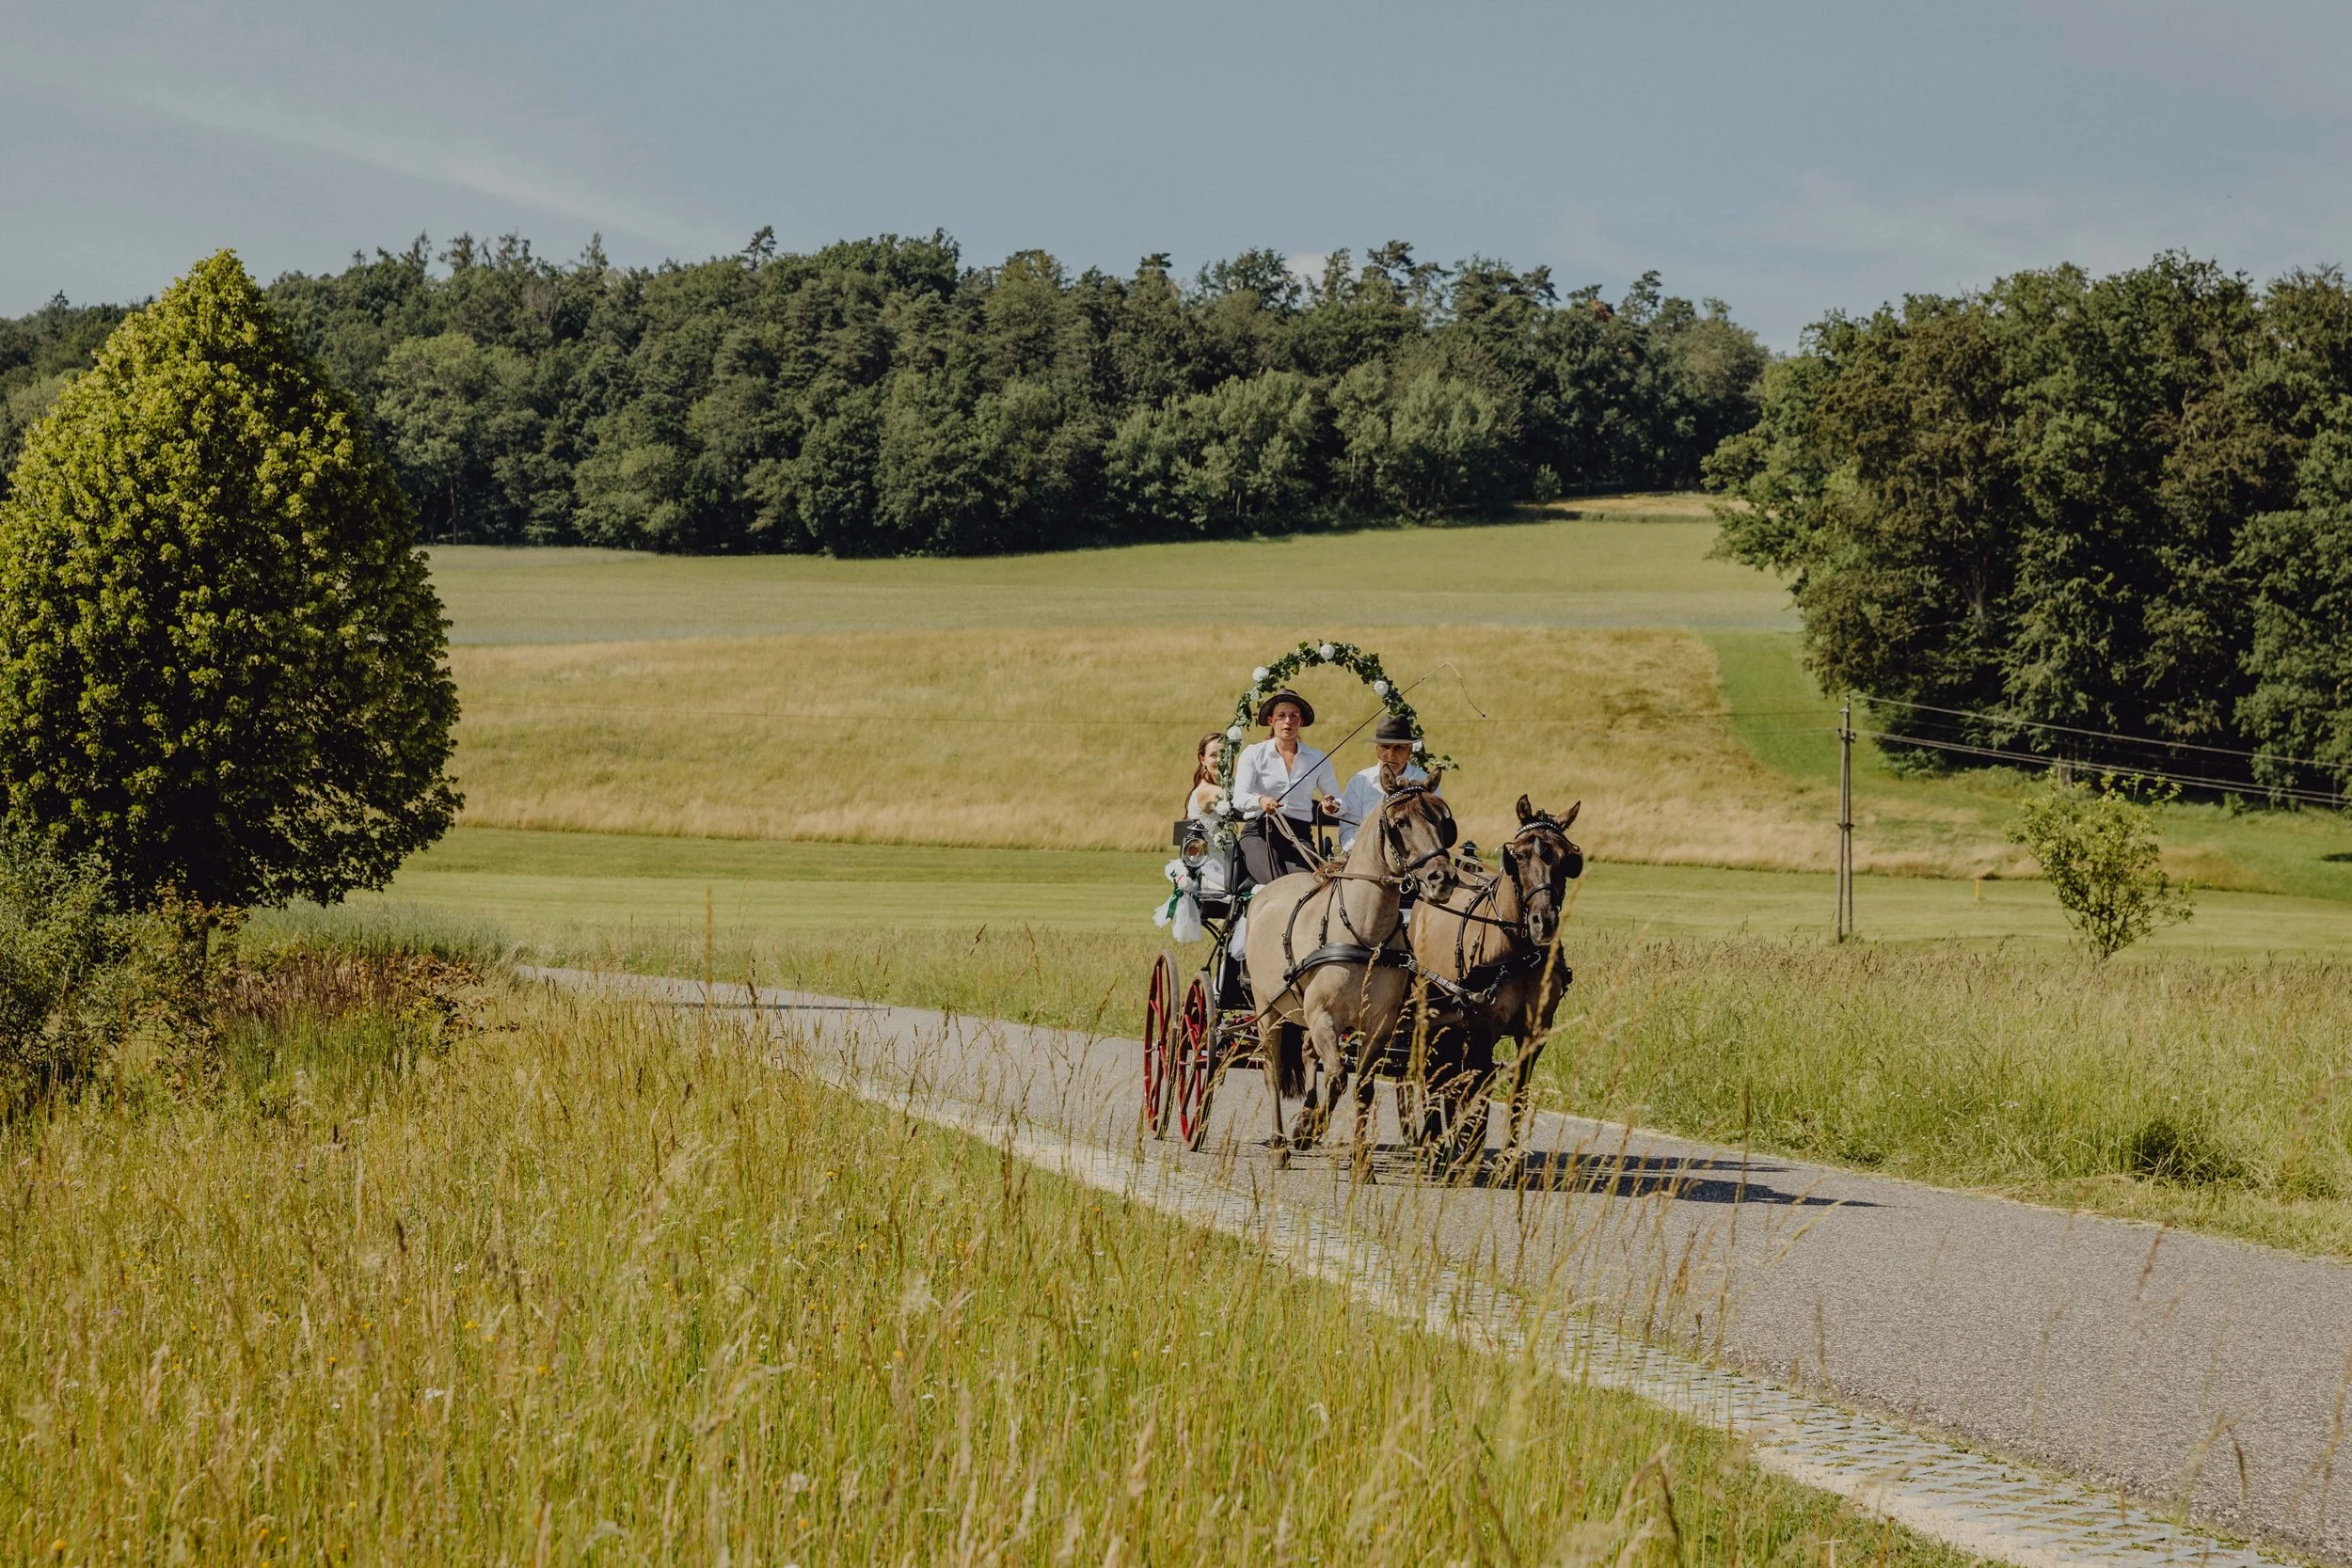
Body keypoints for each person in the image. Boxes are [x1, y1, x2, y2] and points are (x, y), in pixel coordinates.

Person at [1230, 689, 1340, 886]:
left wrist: (1332, 806)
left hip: (1299, 836)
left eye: (1293, 716)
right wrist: (1261, 801)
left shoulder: (1317, 758)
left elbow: (1338, 800)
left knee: (1309, 886)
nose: (1287, 721)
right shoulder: (1254, 754)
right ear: (1271, 721)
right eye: (1281, 716)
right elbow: (1239, 797)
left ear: (1301, 722)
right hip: (1260, 833)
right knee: (1278, 884)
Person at [1338, 712, 1436, 850]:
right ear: (1376, 749)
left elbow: (1434, 830)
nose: (1391, 754)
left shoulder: (1424, 782)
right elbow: (1348, 831)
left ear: (1410, 751)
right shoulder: (1360, 782)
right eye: (1385, 747)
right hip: (1366, 860)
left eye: (1398, 747)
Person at [1184, 732, 1227, 820]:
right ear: (1202, 759)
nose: (1219, 760)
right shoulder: (1207, 790)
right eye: (1213, 755)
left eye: (1224, 754)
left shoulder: (1214, 785)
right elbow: (1236, 798)